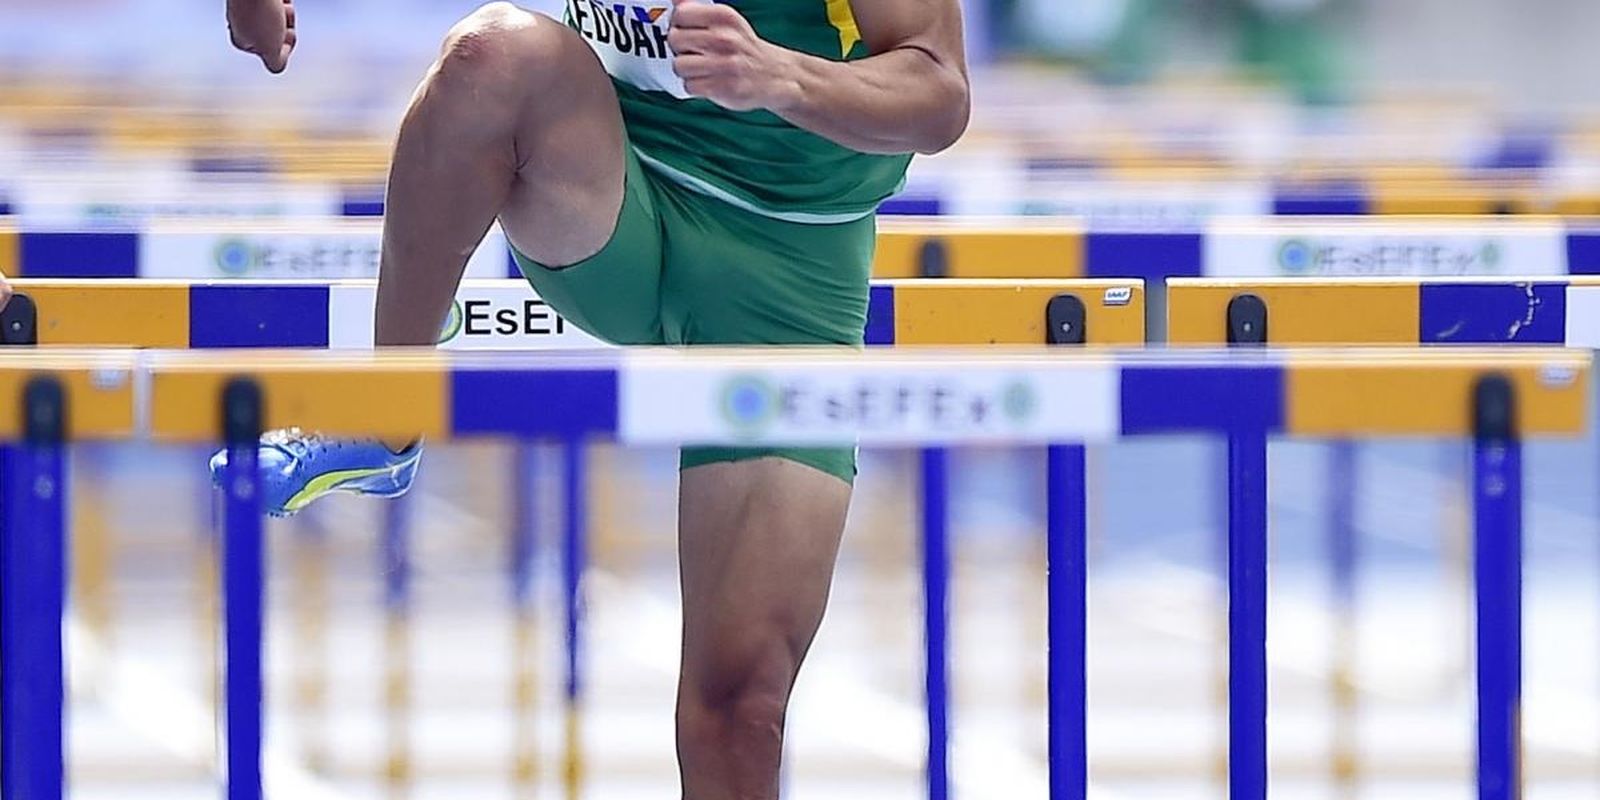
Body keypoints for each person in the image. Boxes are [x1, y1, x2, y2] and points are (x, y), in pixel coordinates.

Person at [219, 0, 968, 795]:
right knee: (491, 58)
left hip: (791, 266)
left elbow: (940, 90)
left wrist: (782, 76)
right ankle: (387, 412)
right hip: (614, 203)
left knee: (740, 704)